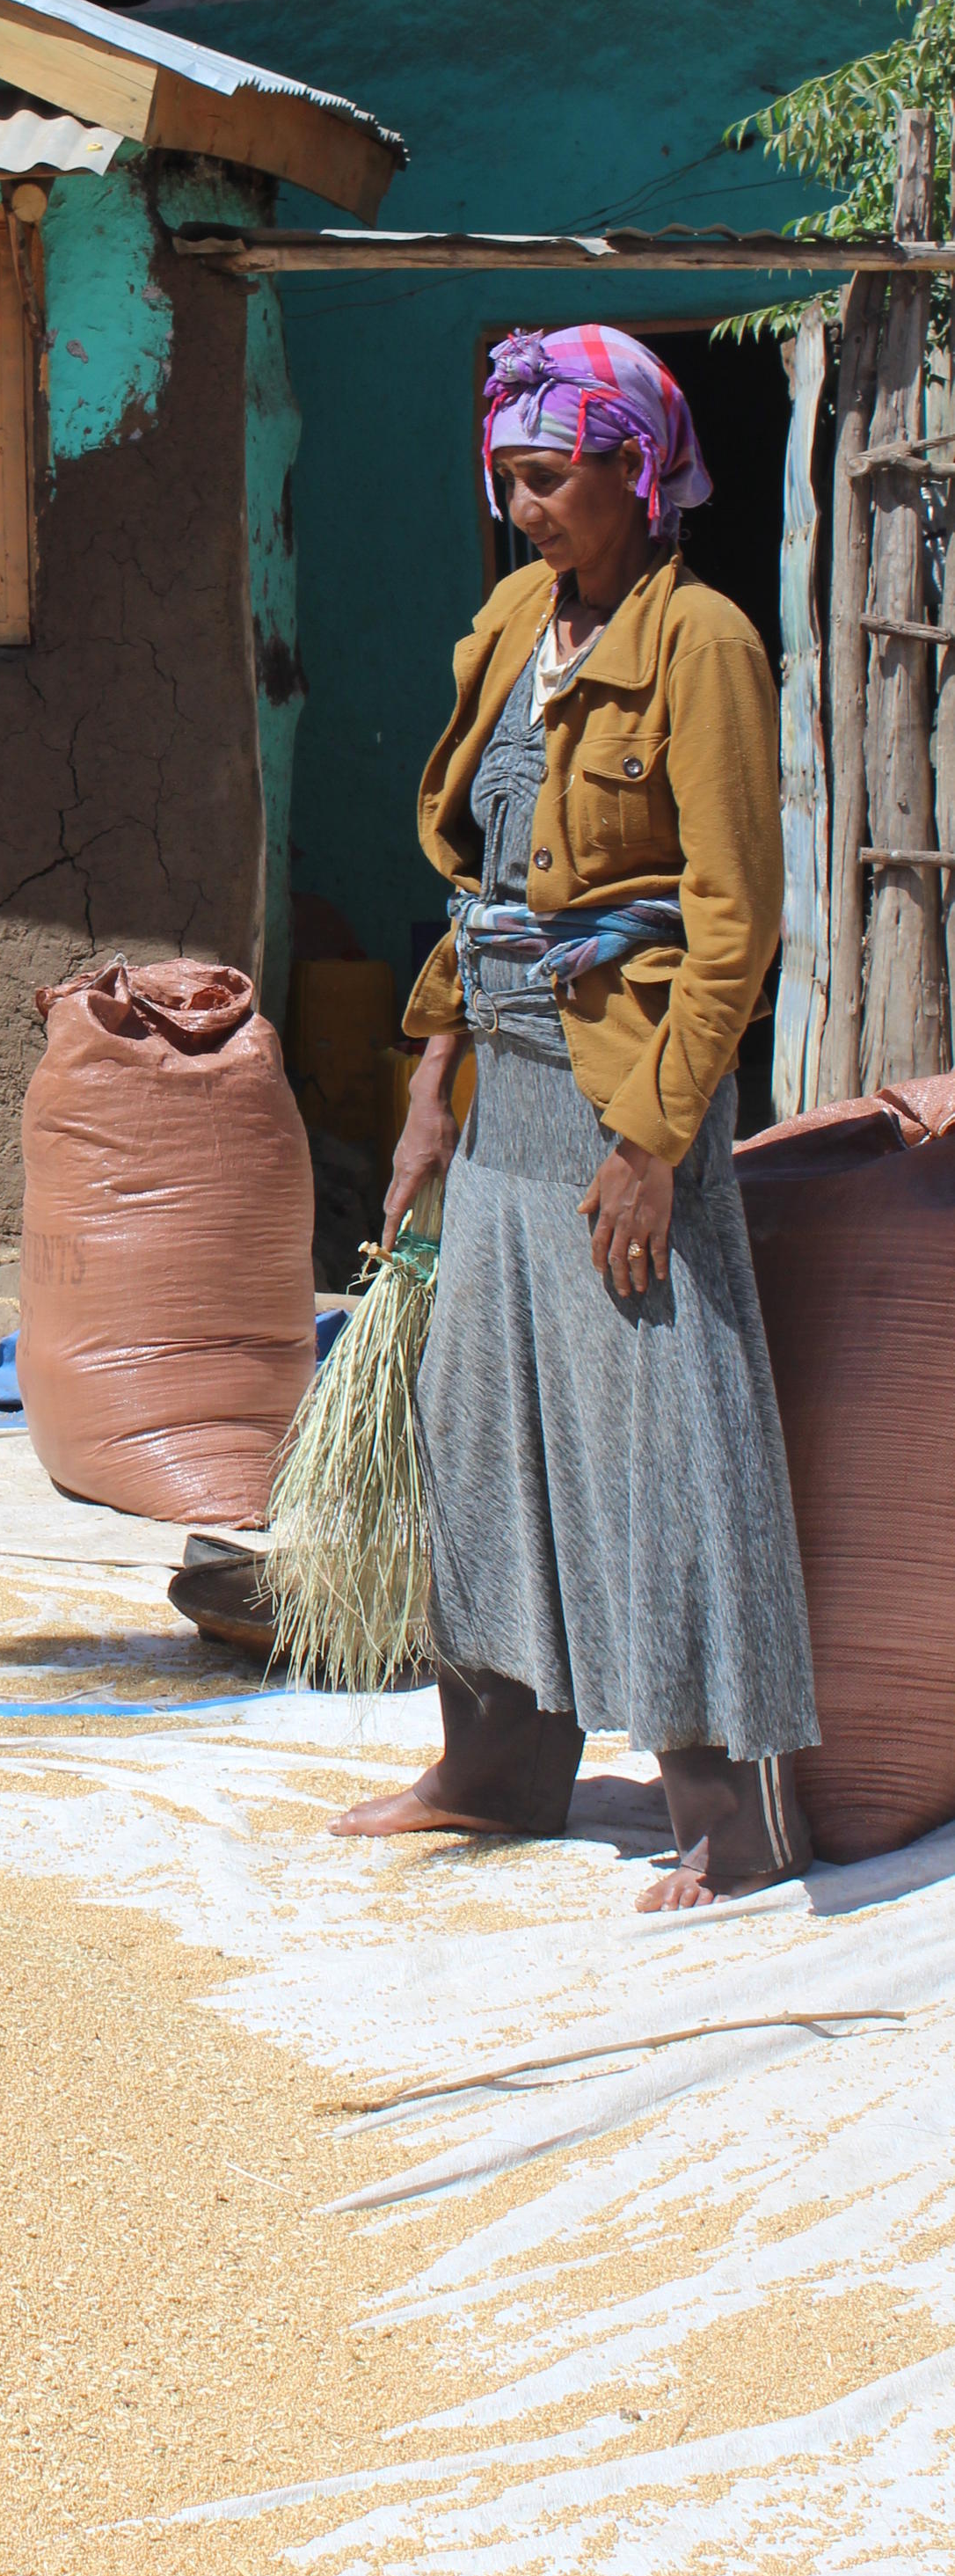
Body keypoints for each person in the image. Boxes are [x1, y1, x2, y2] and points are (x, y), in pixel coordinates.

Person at [335, 325, 817, 1908]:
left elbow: (735, 921)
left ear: (633, 470)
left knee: (657, 1445)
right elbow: (477, 886)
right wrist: (427, 1087)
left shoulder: (704, 648)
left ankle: (721, 1823)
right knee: (481, 1427)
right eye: (507, 480)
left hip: (623, 1098)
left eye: (547, 479)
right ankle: (493, 1771)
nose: (521, 506)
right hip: (502, 1094)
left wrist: (654, 1147)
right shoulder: (507, 625)